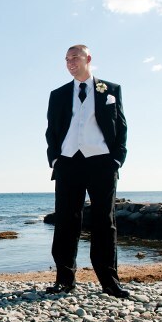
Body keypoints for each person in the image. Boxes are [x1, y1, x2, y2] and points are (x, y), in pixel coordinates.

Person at [45, 44, 130, 299]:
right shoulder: (58, 94)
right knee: (66, 221)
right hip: (69, 162)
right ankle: (64, 280)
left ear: (88, 58)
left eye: (75, 58)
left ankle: (108, 281)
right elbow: (51, 131)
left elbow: (122, 127)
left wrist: (117, 160)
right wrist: (55, 160)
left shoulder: (110, 90)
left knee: (105, 222)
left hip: (102, 162)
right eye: (67, 59)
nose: (70, 62)